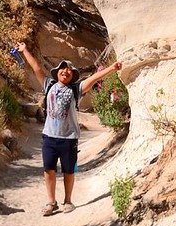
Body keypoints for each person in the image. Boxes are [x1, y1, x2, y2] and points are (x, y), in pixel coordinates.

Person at [15, 42, 122, 216]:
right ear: (57, 73)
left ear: (72, 75)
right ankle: (51, 202)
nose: (65, 72)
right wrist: (25, 50)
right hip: (49, 137)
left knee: (68, 171)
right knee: (48, 170)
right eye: (62, 69)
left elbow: (94, 78)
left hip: (69, 138)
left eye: (69, 70)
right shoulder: (48, 85)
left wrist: (111, 68)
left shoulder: (76, 89)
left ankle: (68, 201)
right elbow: (36, 68)